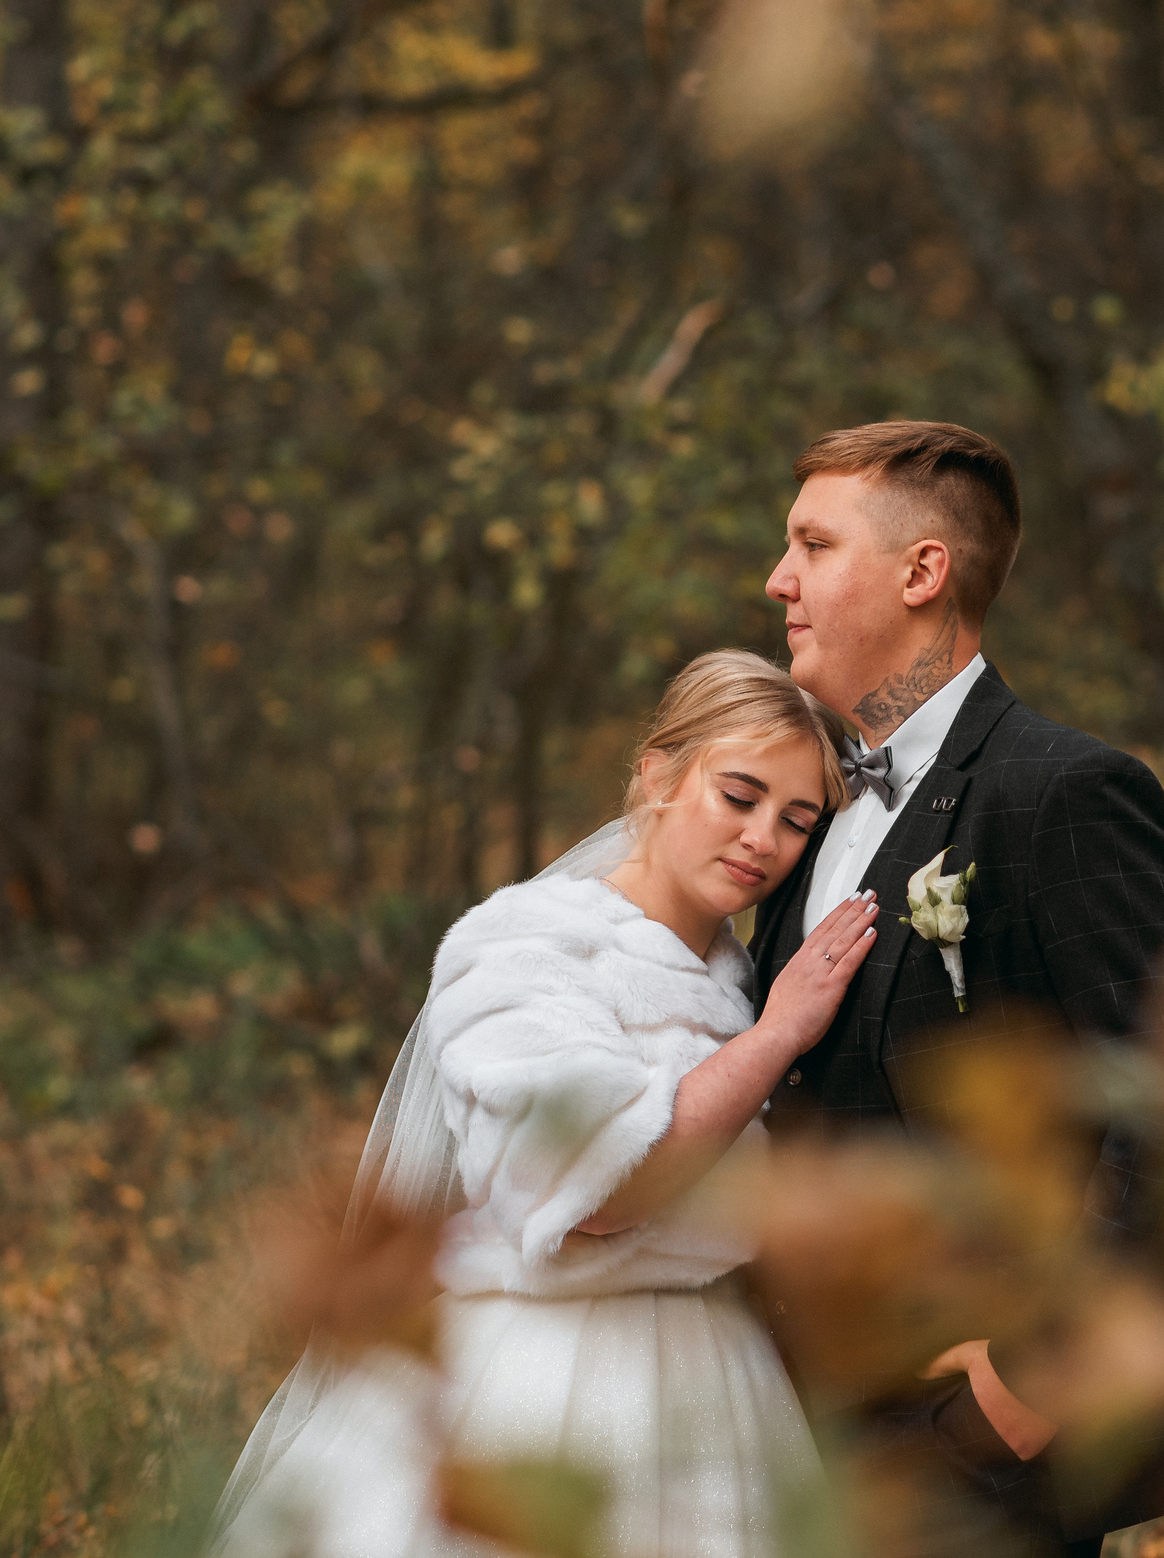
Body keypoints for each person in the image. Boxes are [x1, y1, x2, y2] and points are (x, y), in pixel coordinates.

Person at [211, 651, 882, 1558]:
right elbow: (596, 1190)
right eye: (739, 795)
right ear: (658, 775)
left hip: (721, 1383)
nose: (763, 837)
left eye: (796, 820)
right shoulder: (527, 946)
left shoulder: (740, 982)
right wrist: (778, 1036)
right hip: (543, 1382)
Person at [750, 420, 1164, 1558]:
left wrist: (1028, 1391)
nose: (779, 579)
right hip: (801, 1433)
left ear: (922, 571)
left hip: (980, 1453)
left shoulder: (1062, 793)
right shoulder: (807, 810)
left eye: (814, 546)